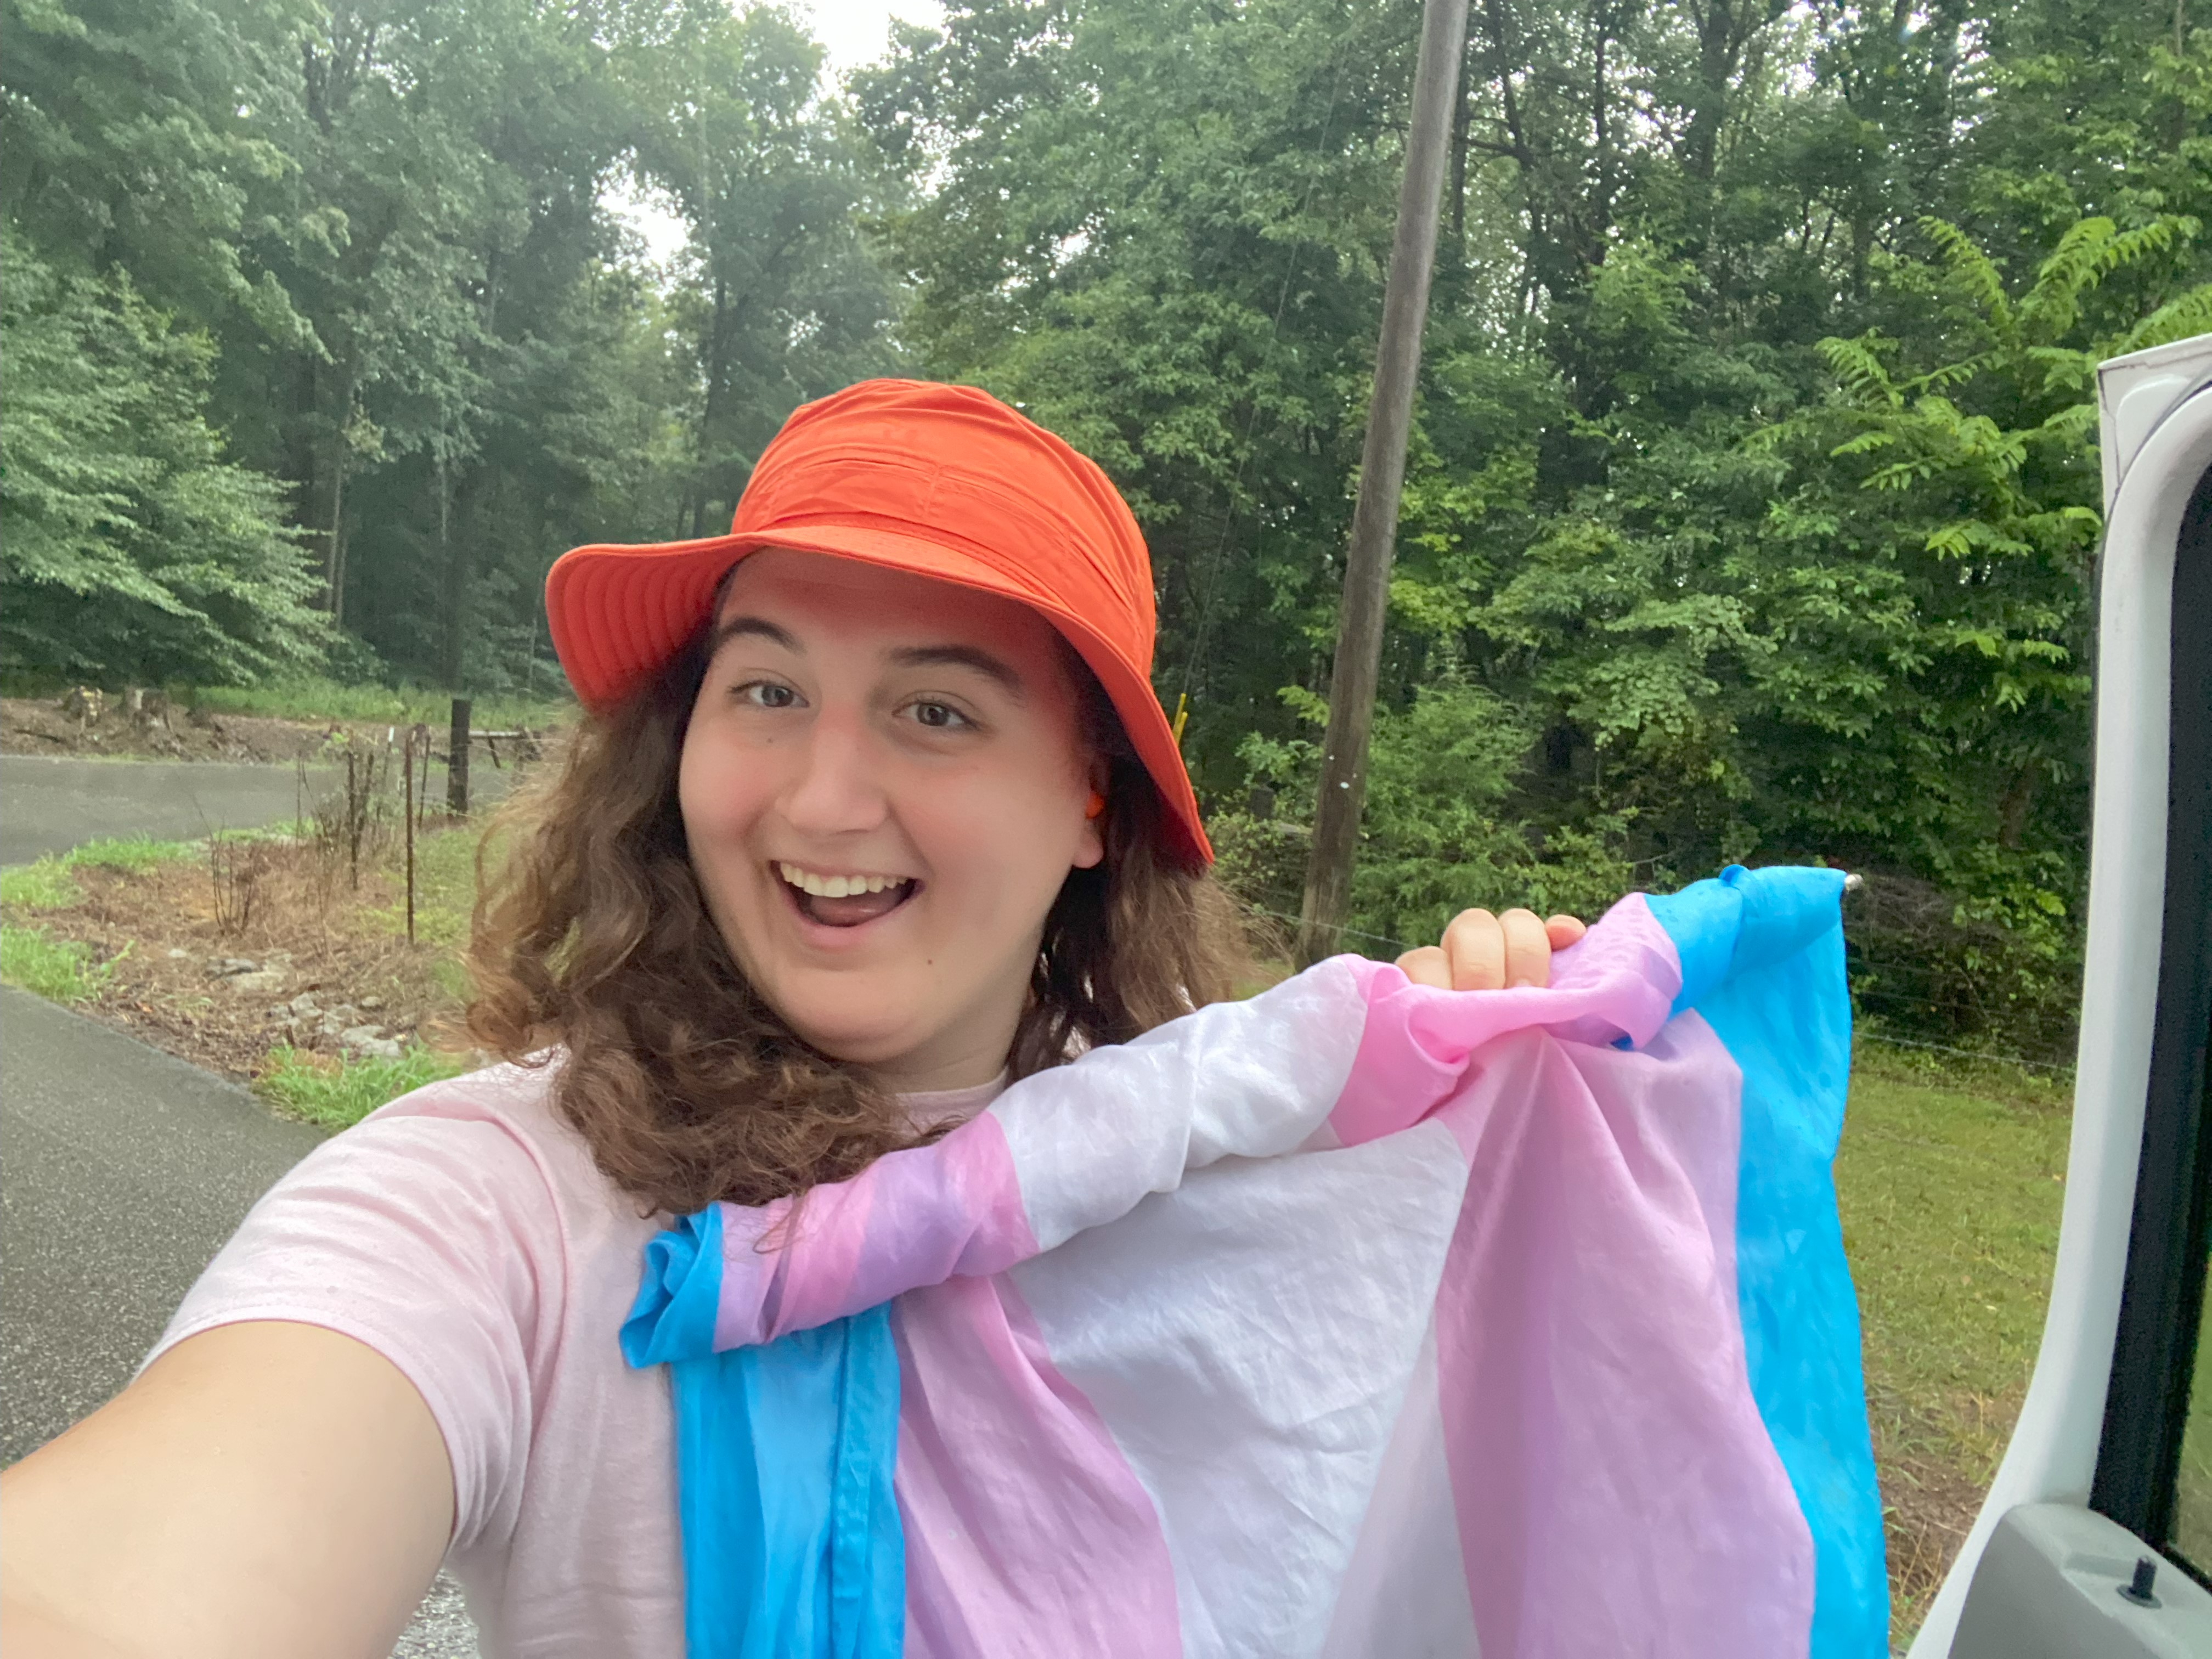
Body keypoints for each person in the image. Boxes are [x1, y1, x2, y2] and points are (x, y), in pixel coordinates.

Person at [0, 380, 1583, 1658]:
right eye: (766, 691)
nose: (824, 800)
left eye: (937, 711)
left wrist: (1460, 1140)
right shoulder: (495, 1208)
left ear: (1092, 801)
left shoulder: (1193, 1173)